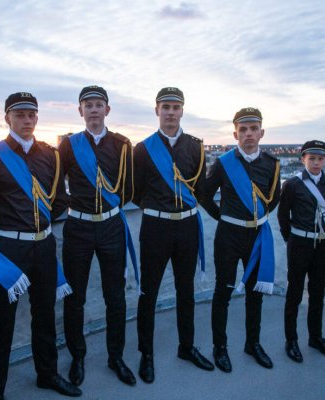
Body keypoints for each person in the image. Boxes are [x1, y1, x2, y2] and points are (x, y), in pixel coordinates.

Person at [0, 92, 81, 399]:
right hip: (9, 250)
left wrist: (40, 223)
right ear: (7, 118)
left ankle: (48, 375)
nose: (27, 120)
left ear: (37, 118)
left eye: (31, 114)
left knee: (45, 316)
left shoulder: (51, 155)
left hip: (44, 247)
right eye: (19, 115)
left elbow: (60, 200)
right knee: (2, 322)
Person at [133, 87, 214, 383]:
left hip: (187, 228)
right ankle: (146, 353)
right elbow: (135, 191)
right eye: (165, 107)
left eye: (175, 107)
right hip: (156, 227)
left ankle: (186, 347)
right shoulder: (142, 149)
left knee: (186, 291)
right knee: (149, 293)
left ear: (182, 111)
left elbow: (201, 190)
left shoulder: (195, 146)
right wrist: (160, 209)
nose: (170, 112)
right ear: (157, 110)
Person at [59, 85, 137, 387]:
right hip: (78, 228)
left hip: (111, 227)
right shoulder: (68, 145)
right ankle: (77, 357)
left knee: (115, 296)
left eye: (98, 104)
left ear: (107, 110)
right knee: (74, 298)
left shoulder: (122, 144)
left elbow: (128, 188)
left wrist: (108, 210)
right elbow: (56, 186)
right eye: (88, 104)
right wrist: (77, 205)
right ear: (80, 111)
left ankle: (115, 357)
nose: (93, 109)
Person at [202, 107, 280, 372]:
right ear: (235, 134)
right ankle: (220, 348)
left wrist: (258, 218)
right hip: (228, 236)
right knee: (222, 292)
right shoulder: (224, 163)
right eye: (243, 129)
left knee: (254, 294)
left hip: (257, 237)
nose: (248, 133)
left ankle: (253, 344)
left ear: (261, 133)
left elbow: (274, 198)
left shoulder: (272, 164)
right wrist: (222, 217)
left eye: (253, 128)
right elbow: (205, 194)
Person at [278, 140, 325, 363]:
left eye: (320, 159)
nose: (316, 162)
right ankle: (291, 340)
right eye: (312, 158)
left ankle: (315, 337)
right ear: (303, 159)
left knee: (317, 293)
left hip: (322, 245)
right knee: (295, 293)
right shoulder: (292, 184)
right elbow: (283, 215)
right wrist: (291, 239)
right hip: (299, 243)